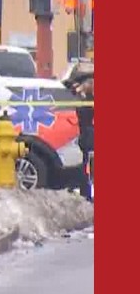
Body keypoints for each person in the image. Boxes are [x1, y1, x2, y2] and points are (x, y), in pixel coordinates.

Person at [65, 65, 94, 201]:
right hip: (83, 135)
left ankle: (86, 192)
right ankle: (85, 192)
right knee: (85, 165)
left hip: (87, 135)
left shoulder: (88, 98)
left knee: (87, 165)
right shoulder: (79, 97)